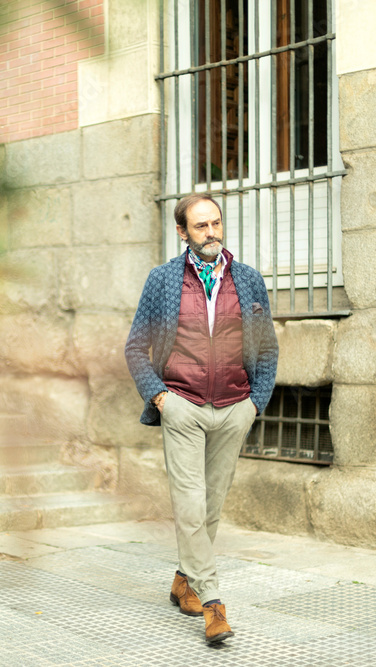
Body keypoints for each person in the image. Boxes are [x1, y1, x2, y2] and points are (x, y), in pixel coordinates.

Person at [124, 193, 278, 644]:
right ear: (182, 232)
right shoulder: (164, 280)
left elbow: (266, 347)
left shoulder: (248, 281)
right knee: (191, 505)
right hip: (183, 405)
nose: (211, 233)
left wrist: (256, 403)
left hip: (235, 407)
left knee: (209, 507)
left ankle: (182, 580)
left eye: (216, 223)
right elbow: (136, 347)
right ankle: (213, 603)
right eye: (200, 226)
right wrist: (159, 397)